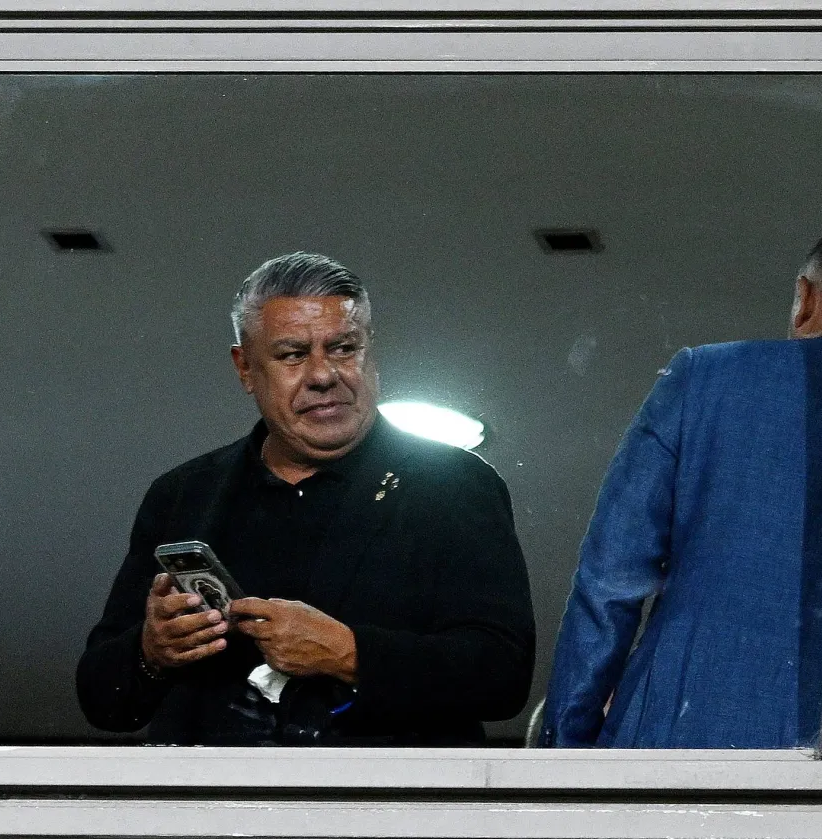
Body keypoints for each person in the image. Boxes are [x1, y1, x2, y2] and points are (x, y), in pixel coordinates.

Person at [77, 252, 535, 746]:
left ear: (371, 351)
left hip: (387, 794)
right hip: (217, 794)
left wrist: (349, 653)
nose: (323, 375)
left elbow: (503, 676)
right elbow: (101, 700)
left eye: (344, 348)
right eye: (293, 355)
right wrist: (152, 651)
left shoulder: (455, 484)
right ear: (245, 368)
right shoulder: (185, 494)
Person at [540, 219, 822, 749]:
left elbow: (609, 583)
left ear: (804, 299)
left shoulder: (708, 378)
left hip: (681, 745)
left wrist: (564, 753)